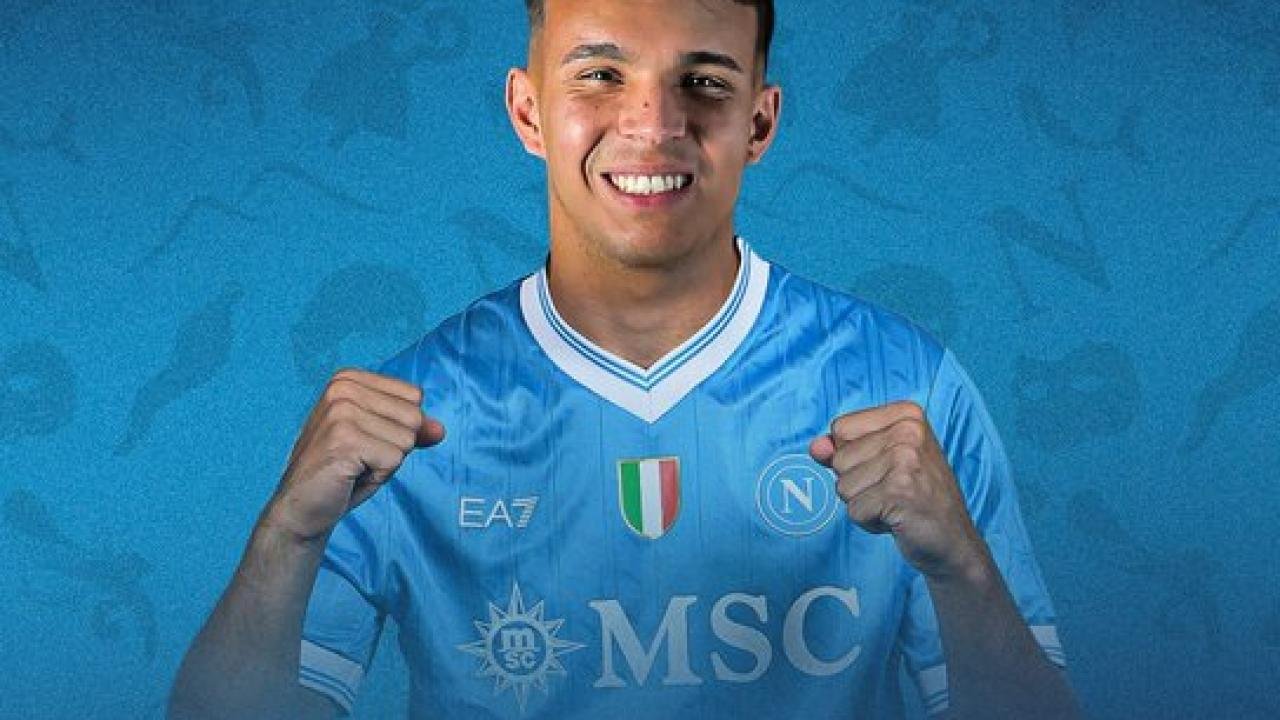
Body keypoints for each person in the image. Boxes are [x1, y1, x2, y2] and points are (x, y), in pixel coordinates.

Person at [169, 1, 1081, 718]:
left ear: (760, 123)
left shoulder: (903, 385)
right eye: (601, 75)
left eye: (704, 81)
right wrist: (286, 537)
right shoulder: (407, 414)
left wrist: (963, 569)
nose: (653, 122)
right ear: (529, 111)